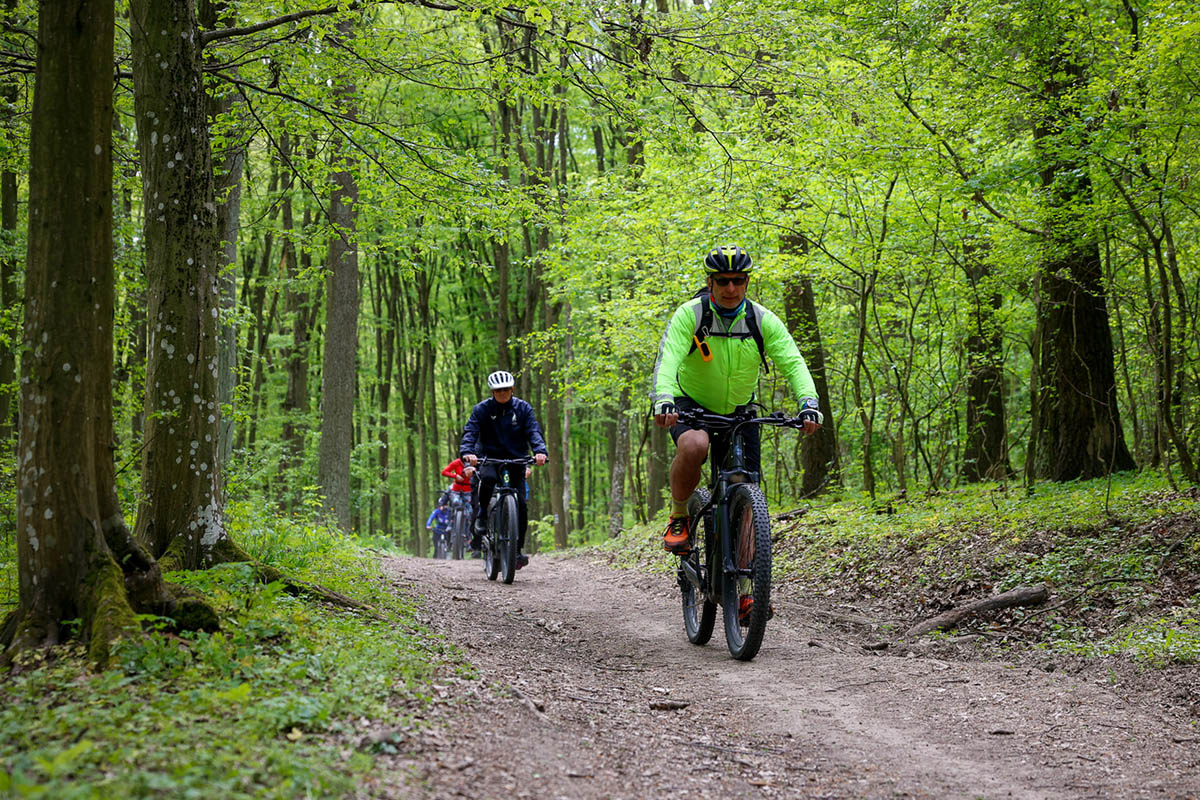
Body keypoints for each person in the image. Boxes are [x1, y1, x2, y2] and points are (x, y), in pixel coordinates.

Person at [651, 244, 824, 556]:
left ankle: (746, 582)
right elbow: (668, 359)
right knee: (694, 445)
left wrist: (808, 403)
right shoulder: (691, 315)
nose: (730, 288)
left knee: (747, 490)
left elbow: (793, 362)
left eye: (738, 280)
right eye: (722, 281)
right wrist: (664, 399)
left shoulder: (761, 319)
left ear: (747, 282)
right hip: (691, 405)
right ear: (710, 282)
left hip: (740, 411)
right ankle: (679, 515)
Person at [460, 370, 548, 568]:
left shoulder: (523, 408)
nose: (502, 393)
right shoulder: (481, 409)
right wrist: (468, 453)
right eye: (498, 390)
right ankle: (483, 515)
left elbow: (533, 431)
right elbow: (470, 432)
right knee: (488, 479)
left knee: (522, 505)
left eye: (506, 389)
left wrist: (540, 451)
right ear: (492, 392)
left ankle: (516, 551)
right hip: (489, 456)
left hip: (517, 458)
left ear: (512, 389)